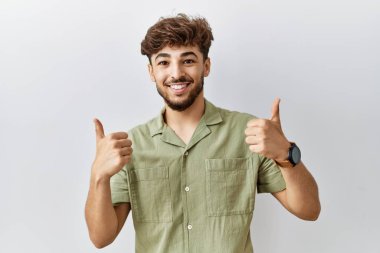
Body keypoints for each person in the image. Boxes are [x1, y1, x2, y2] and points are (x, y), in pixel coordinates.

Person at [85, 13, 321, 253]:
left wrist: (286, 153)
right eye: (164, 62)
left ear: (205, 66)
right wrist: (99, 177)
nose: (176, 73)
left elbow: (309, 210)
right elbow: (100, 238)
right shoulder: (131, 146)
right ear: (151, 72)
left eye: (188, 61)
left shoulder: (247, 133)